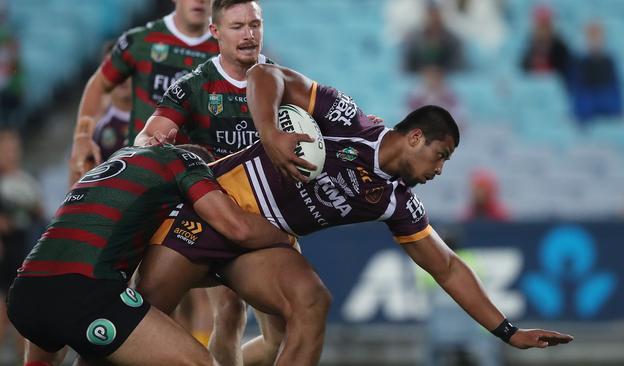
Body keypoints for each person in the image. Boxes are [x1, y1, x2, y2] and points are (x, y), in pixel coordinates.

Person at [135, 63, 574, 366]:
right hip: (208, 207)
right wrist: (269, 134)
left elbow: (447, 267)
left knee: (312, 301)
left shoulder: (397, 202)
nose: (439, 171)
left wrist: (508, 332)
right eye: (440, 156)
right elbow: (264, 74)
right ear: (415, 137)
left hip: (260, 241)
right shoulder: (347, 120)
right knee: (141, 321)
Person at [8, 141, 292, 366]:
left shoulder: (121, 160)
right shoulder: (187, 164)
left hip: (26, 292)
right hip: (83, 292)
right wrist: (285, 236)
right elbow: (237, 227)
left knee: (66, 351)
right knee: (200, 362)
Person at [134, 1, 307, 364]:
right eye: (238, 26)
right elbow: (147, 138)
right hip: (219, 218)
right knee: (229, 312)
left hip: (271, 220)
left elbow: (325, 128)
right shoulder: (193, 86)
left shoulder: (285, 82)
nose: (249, 35)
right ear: (215, 32)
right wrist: (158, 143)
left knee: (286, 335)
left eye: (255, 25)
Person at [69, 0, 219, 185]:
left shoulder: (227, 47)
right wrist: (82, 135)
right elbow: (99, 84)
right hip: (141, 173)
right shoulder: (140, 41)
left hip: (201, 175)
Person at [0, 129, 43, 362]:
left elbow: (40, 212)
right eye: (5, 150)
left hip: (24, 253)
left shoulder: (25, 179)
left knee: (21, 320)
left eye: (13, 149)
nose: (10, 154)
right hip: (5, 255)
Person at [569, 20, 624, 124]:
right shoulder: (580, 63)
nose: (595, 41)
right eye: (591, 37)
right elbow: (577, 89)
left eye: (597, 37)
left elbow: (616, 88)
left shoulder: (609, 61)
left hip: (606, 101)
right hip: (588, 102)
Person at [403, 2, 465, 75]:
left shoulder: (454, 41)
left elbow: (457, 69)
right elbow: (406, 69)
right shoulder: (413, 40)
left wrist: (438, 75)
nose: (433, 18)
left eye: (436, 13)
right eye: (430, 14)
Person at [520, 4, 572, 85]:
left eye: (545, 26)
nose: (543, 31)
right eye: (540, 27)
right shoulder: (527, 48)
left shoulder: (561, 49)